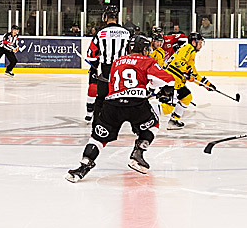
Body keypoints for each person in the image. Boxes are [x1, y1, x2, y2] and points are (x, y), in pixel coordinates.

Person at [66, 34, 174, 182]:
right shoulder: (148, 61)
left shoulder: (117, 61)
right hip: (137, 105)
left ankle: (82, 168)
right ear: (143, 49)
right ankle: (138, 153)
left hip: (112, 105)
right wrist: (164, 91)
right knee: (153, 124)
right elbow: (167, 80)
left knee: (98, 138)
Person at [84, 6, 132, 123]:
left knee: (99, 96)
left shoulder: (101, 33)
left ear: (105, 17)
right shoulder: (127, 33)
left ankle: (92, 117)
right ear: (117, 17)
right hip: (122, 71)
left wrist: (94, 65)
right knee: (122, 96)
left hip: (106, 70)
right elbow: (132, 53)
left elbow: (91, 54)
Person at [159, 32, 217, 128]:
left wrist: (206, 84)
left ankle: (174, 121)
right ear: (193, 42)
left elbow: (192, 72)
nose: (201, 45)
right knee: (167, 108)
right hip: (171, 80)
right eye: (200, 43)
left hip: (177, 81)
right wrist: (187, 72)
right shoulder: (188, 48)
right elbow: (179, 62)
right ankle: (147, 116)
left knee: (187, 97)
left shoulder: (191, 52)